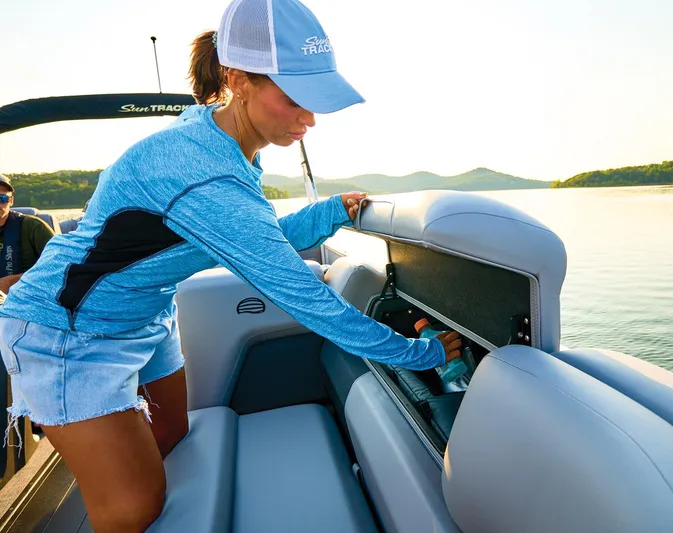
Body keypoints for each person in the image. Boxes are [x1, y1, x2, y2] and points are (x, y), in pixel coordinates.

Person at [0, 0, 462, 531]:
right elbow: (307, 300)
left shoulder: (224, 141)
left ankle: (111, 454)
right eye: (294, 100)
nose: (309, 120)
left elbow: (253, 237)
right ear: (239, 79)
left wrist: (330, 212)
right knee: (133, 508)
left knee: (172, 432)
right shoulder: (202, 170)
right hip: (67, 330)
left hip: (145, 312)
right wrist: (416, 352)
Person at [0, 174, 55, 297]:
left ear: (11, 201)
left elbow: (60, 267)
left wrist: (12, 281)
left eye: (2, 199)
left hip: (29, 299)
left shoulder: (34, 227)